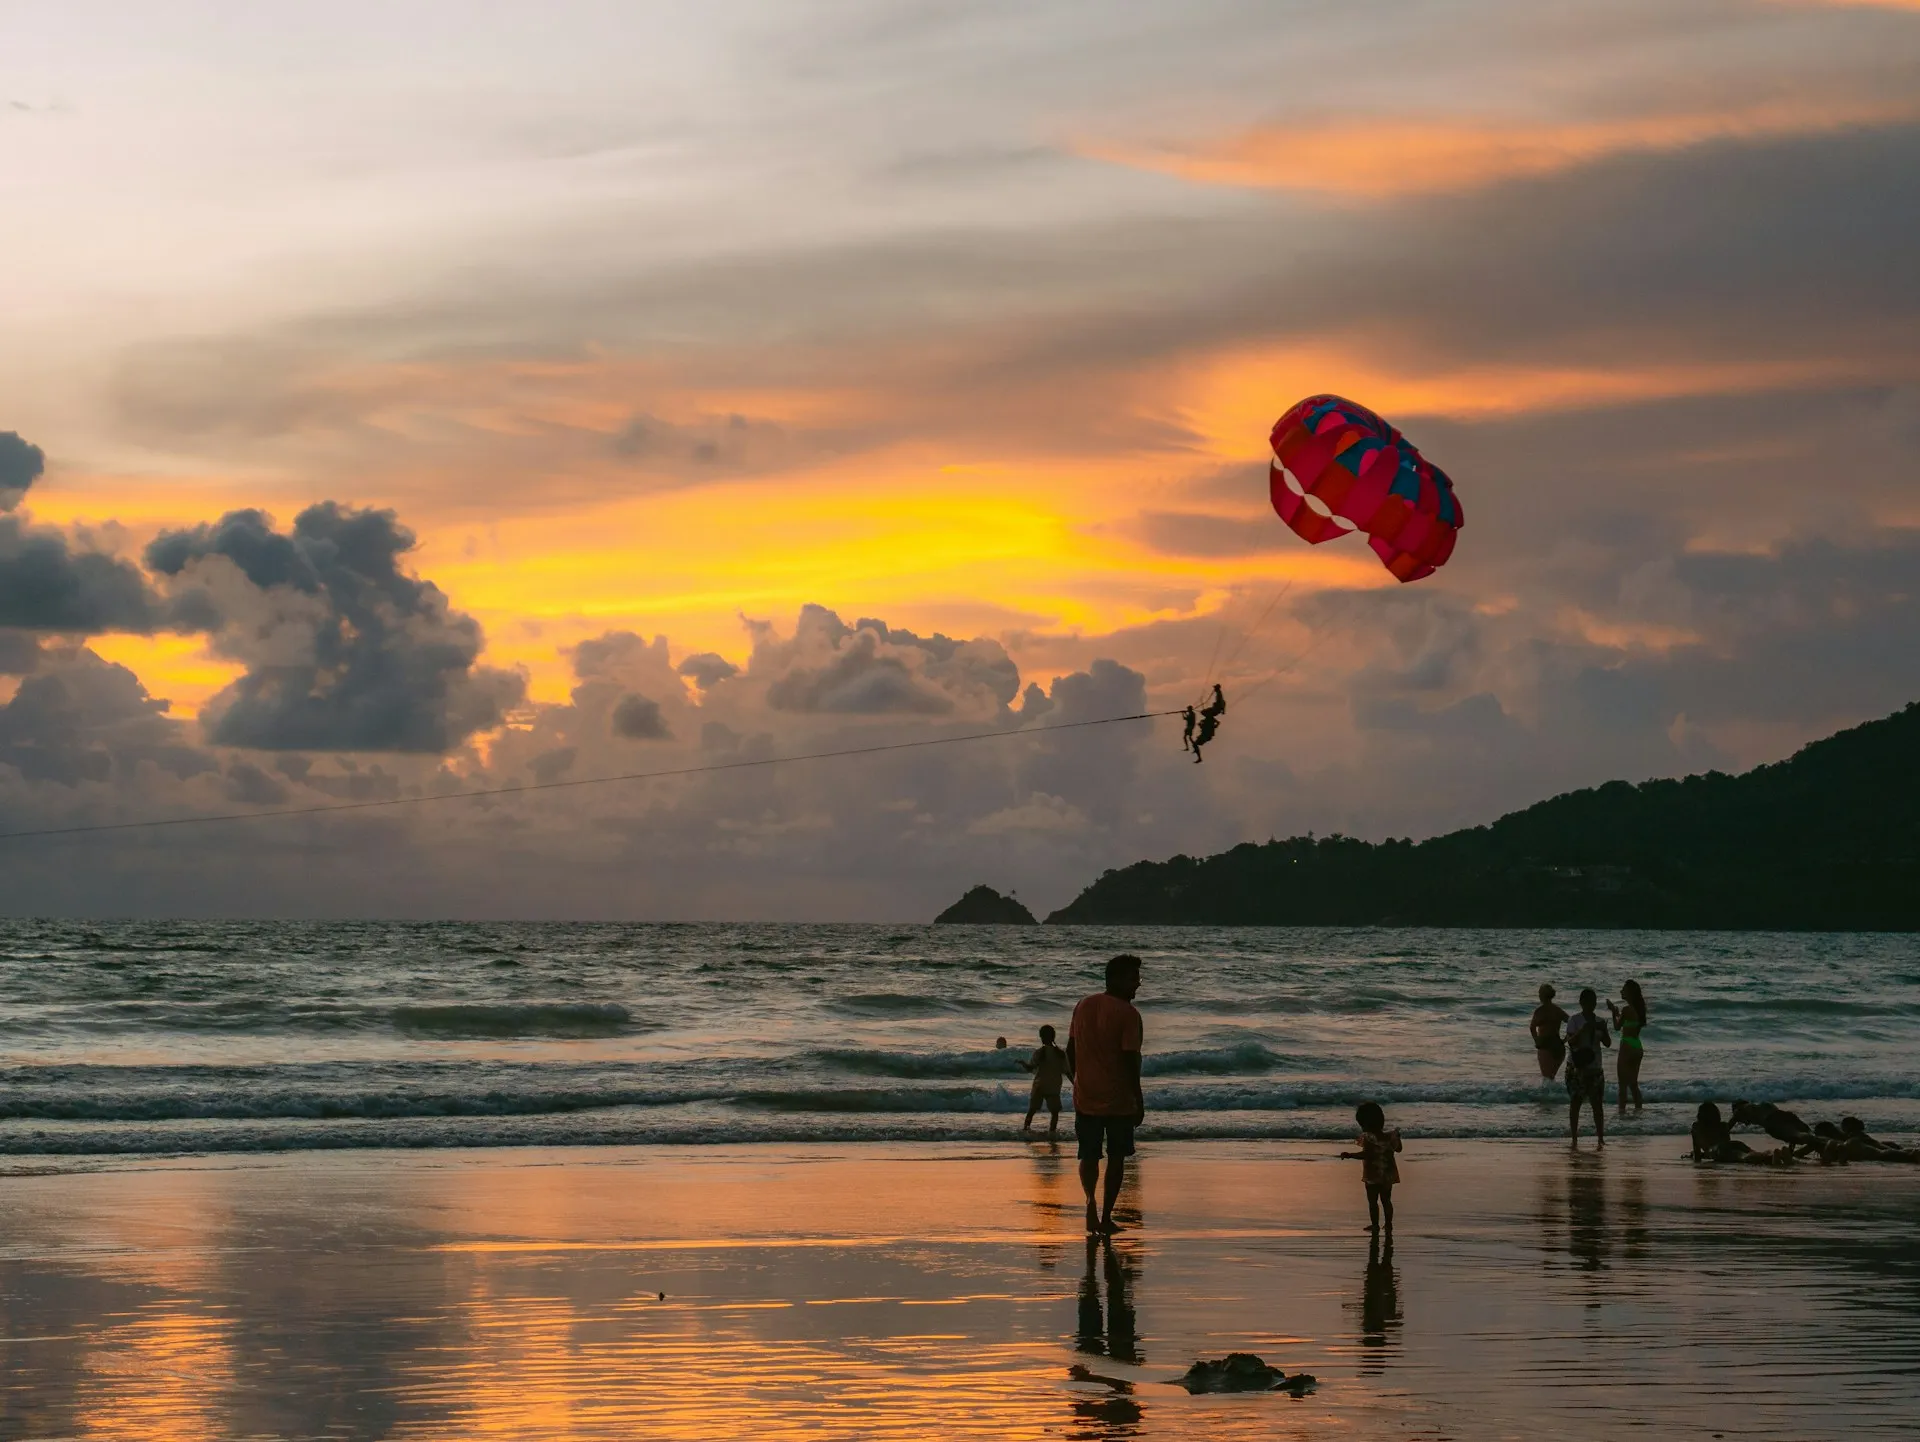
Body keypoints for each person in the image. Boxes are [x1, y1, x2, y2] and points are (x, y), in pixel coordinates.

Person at [1067, 954, 1145, 1236]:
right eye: (1133, 978)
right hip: (1119, 1100)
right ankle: (1106, 1217)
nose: (1138, 984)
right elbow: (1131, 1061)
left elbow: (1070, 1050)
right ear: (1116, 980)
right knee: (1116, 1157)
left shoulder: (1083, 1005)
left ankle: (1090, 1203)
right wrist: (1138, 1098)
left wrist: (1076, 1080)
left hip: (1085, 1096)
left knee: (1088, 1155)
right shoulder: (1129, 1014)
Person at [1340, 1101, 1403, 1235]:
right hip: (1387, 1173)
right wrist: (1398, 1138)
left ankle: (1375, 1225)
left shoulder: (1368, 1138)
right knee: (1386, 1200)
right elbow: (1398, 1149)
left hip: (1373, 1174)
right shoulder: (1390, 1136)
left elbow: (1366, 1154)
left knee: (1373, 1201)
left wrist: (1350, 1155)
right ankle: (1388, 1224)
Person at [1565, 989, 1611, 1147]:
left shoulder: (1600, 1021)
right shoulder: (1575, 1020)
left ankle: (1600, 1138)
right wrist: (1583, 1030)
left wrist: (1603, 1029)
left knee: (1597, 1104)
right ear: (1581, 1002)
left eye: (1593, 1001)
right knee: (1575, 1103)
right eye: (1587, 1001)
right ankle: (1574, 1138)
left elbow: (1607, 1043)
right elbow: (1570, 1041)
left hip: (1595, 1066)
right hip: (1577, 1067)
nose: (1591, 1005)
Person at [1607, 980, 1649, 1112]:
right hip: (1637, 1045)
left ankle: (1621, 1113)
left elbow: (1617, 1027)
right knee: (1633, 1084)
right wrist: (1617, 1013)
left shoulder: (1626, 1009)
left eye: (1624, 989)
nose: (1621, 991)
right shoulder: (1639, 1009)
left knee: (1622, 1085)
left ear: (1629, 993)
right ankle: (1638, 1110)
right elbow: (1629, 1024)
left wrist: (1613, 1012)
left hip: (1627, 1046)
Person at [1021, 1024, 1068, 1138]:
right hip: (1054, 1086)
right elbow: (1066, 1071)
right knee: (1054, 1113)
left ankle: (1025, 1131)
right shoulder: (1060, 1054)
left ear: (1041, 1037)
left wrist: (1022, 1063)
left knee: (1032, 1110)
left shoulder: (1039, 1053)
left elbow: (1030, 1068)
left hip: (1040, 1086)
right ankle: (1052, 1133)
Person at [1529, 984, 1568, 1080]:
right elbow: (1572, 1023)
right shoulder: (1557, 1010)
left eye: (1539, 993)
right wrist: (1565, 1039)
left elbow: (1532, 1027)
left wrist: (1536, 1040)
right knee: (1551, 1077)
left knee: (1547, 1078)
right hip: (1558, 1045)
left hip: (1545, 1045)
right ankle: (1554, 1094)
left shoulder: (1540, 1011)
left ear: (1542, 996)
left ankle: (1549, 1095)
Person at [1190, 685, 1226, 763]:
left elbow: (1222, 703)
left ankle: (1199, 756)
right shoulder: (1210, 719)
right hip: (1207, 733)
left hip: (1207, 733)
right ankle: (1197, 753)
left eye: (1215, 689)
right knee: (1195, 744)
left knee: (1195, 744)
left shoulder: (1219, 696)